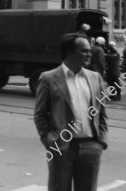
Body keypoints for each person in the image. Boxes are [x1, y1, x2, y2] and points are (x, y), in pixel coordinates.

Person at [34, 33, 108, 191]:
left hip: (90, 148)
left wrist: (100, 141)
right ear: (69, 52)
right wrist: (50, 142)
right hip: (62, 148)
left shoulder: (95, 77)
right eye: (85, 51)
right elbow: (40, 115)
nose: (90, 54)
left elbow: (101, 112)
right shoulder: (48, 78)